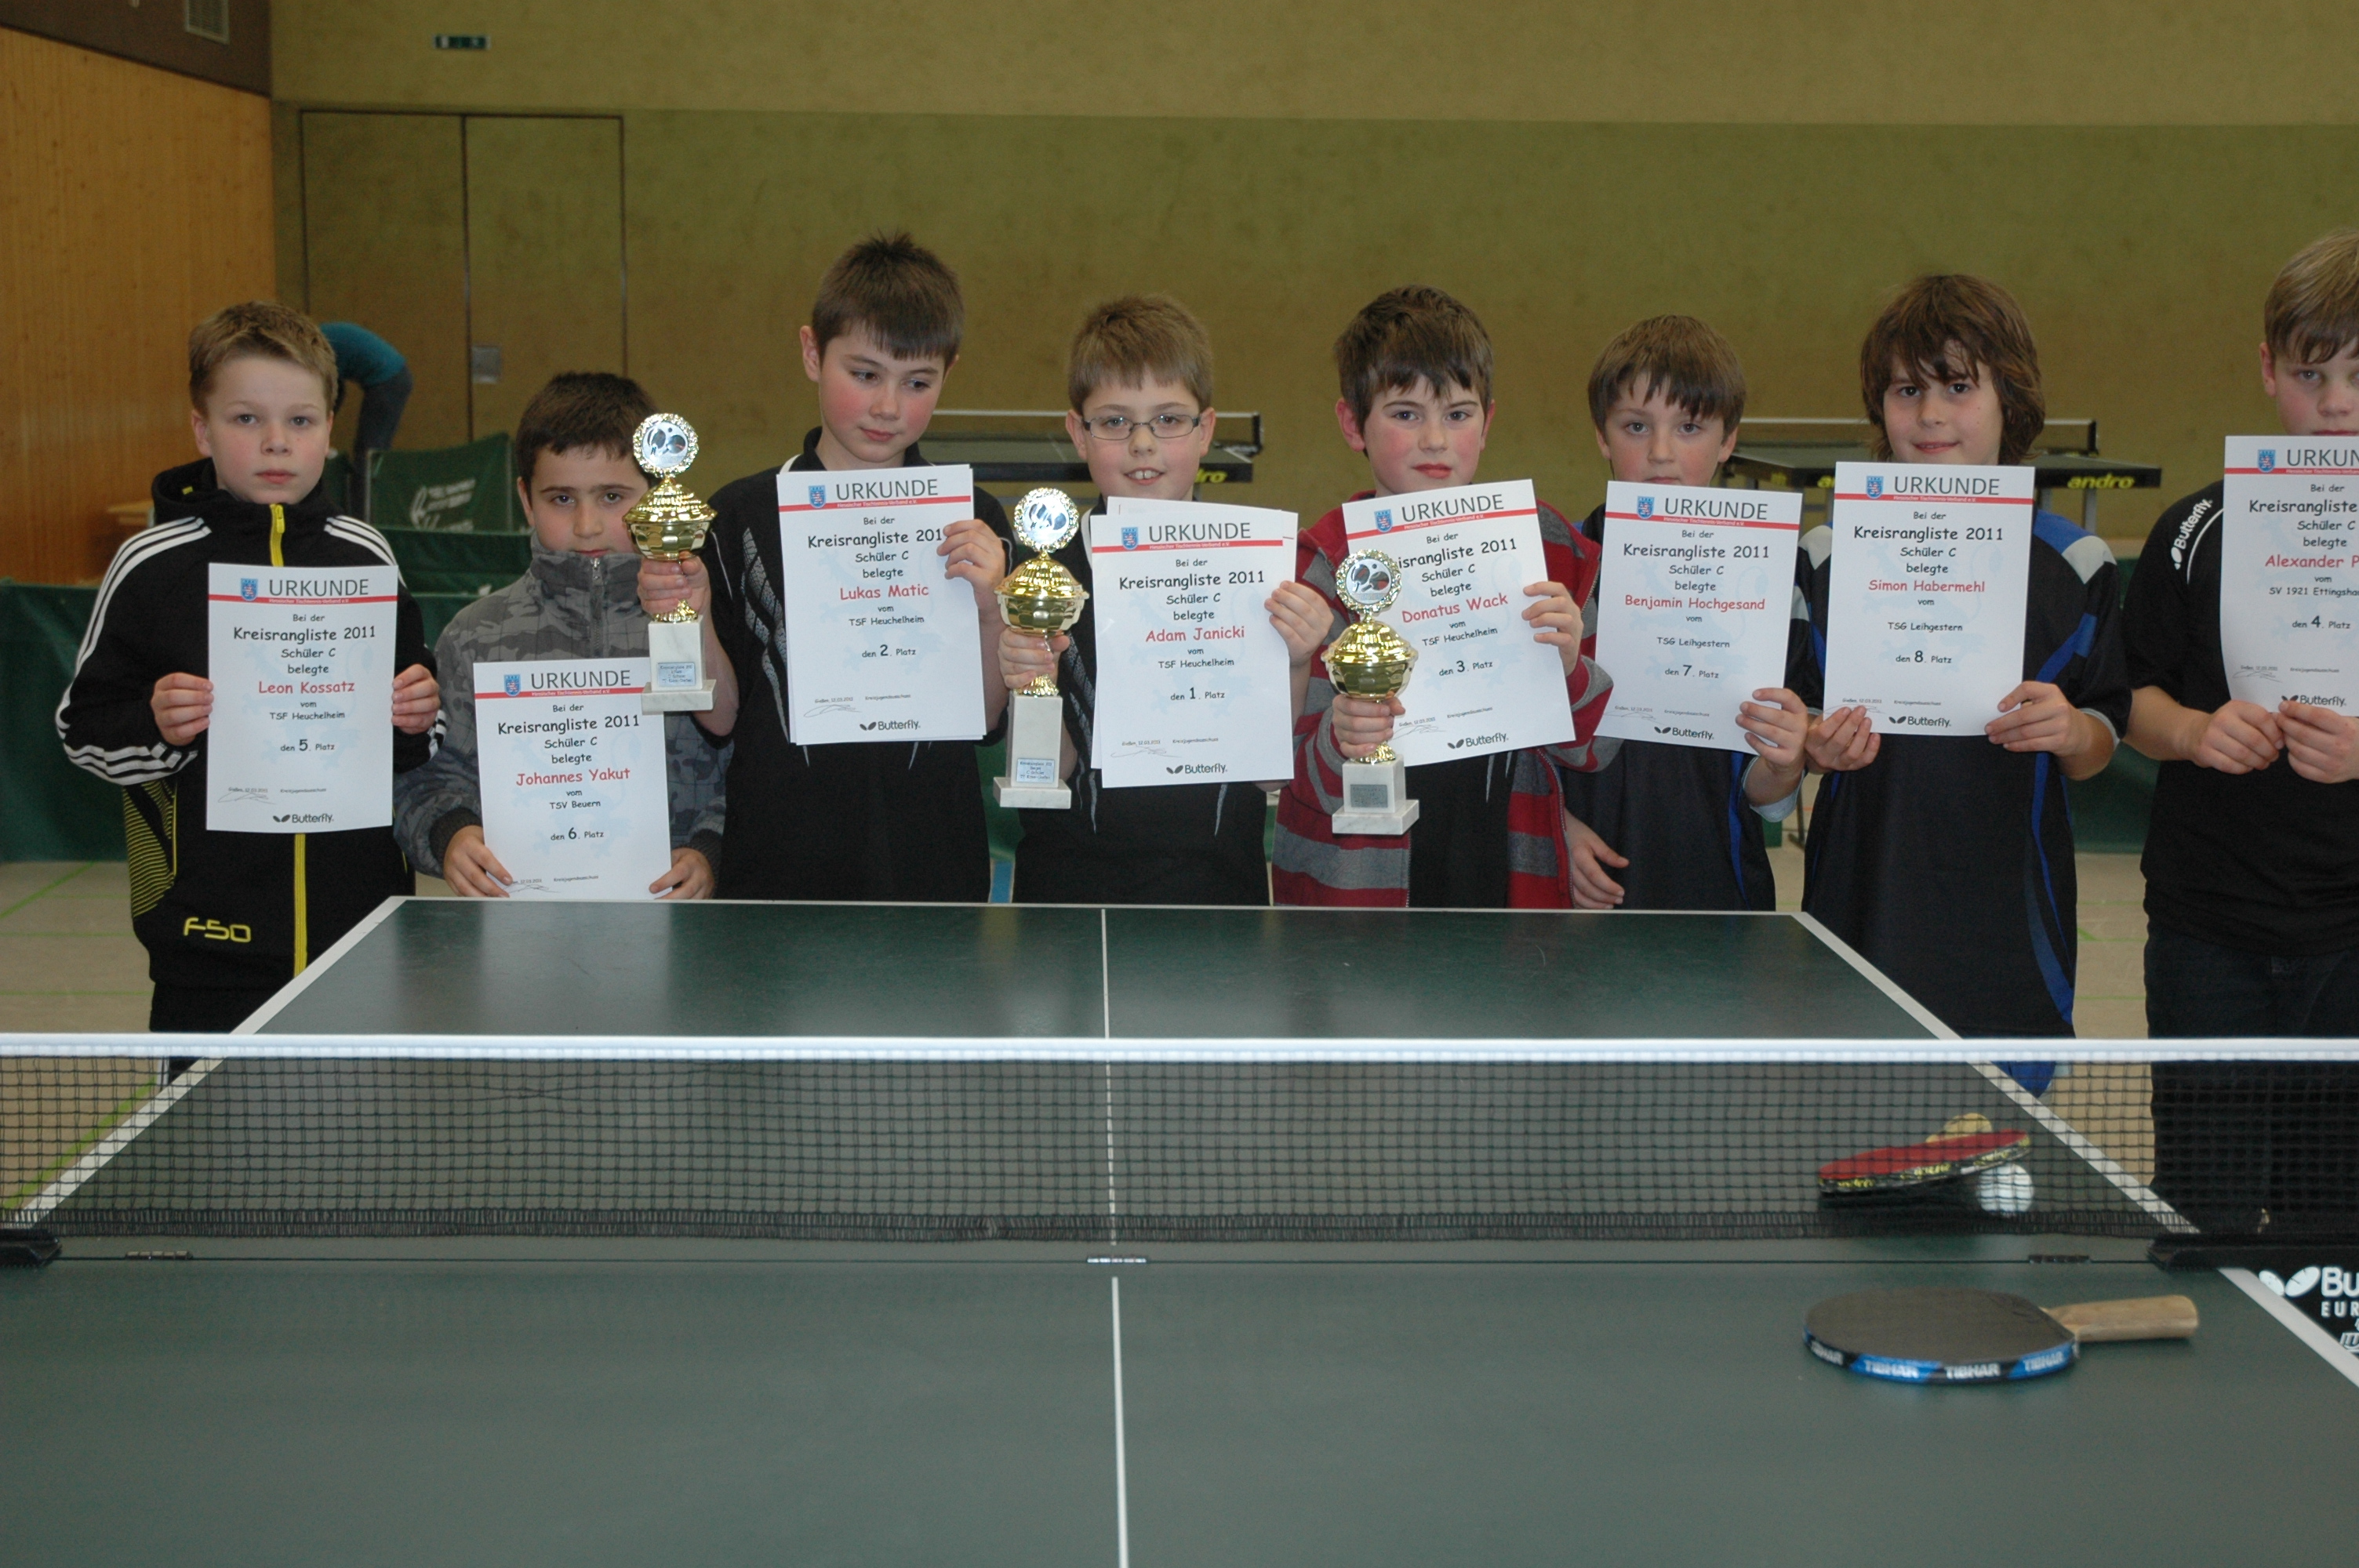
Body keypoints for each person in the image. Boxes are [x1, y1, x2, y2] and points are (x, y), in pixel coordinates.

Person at [56, 302, 440, 1033]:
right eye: (245, 419)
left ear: (330, 428)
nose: (276, 441)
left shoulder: (366, 555)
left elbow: (416, 721)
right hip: (207, 948)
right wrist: (157, 725)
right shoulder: (150, 564)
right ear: (202, 430)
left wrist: (417, 714)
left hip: (363, 934)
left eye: (300, 420)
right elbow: (83, 731)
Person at [1794, 275, 2127, 1050]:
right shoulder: (1823, 555)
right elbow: (1794, 723)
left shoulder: (2077, 562)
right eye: (1907, 390)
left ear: (2010, 397)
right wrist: (1813, 742)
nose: (1931, 414)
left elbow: (2103, 736)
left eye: (1957, 387)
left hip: (2008, 937)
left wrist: (2071, 730)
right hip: (1856, 911)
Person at [636, 233, 1012, 900]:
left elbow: (983, 719)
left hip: (933, 864)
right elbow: (720, 718)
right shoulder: (738, 516)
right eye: (864, 375)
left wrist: (991, 612)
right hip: (779, 864)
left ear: (948, 373)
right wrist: (688, 617)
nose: (888, 407)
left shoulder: (974, 523)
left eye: (917, 382)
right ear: (813, 353)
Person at [2124, 230, 2359, 1226]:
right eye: (2310, 375)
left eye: (2357, 376)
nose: (2336, 404)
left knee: (2332, 1220)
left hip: (2348, 937)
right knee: (2202, 1214)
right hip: (2205, 929)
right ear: (2268, 371)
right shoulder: (2192, 532)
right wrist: (2190, 733)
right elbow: (2129, 698)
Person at [1271, 285, 1616, 907]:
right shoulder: (1318, 571)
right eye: (1406, 414)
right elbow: (1290, 779)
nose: (1435, 439)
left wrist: (1567, 667)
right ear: (1352, 424)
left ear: (1488, 424)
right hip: (1355, 905)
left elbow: (1595, 749)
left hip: (1507, 887)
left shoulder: (1550, 553)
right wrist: (1341, 738)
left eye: (1458, 414)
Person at [995, 296, 1329, 903]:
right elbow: (1047, 773)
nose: (1143, 444)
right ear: (1077, 433)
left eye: (1169, 419)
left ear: (1206, 431)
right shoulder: (1044, 577)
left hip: (1219, 892)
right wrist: (1029, 679)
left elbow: (1267, 775)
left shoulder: (1257, 569)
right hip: (1070, 894)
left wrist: (1297, 661)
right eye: (1114, 422)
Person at [394, 372, 729, 898]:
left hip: (681, 922)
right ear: (526, 501)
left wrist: (712, 850)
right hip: (523, 924)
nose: (587, 525)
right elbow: (428, 778)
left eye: (613, 496)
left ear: (656, 494)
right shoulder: (473, 637)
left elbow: (752, 765)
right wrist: (451, 836)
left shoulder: (703, 625)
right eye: (562, 499)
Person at [1558, 316, 1810, 912]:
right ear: (1602, 436)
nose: (1661, 453)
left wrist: (1787, 762)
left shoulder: (1777, 579)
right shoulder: (1558, 571)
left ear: (1728, 441)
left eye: (1690, 427)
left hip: (1719, 892)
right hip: (1579, 888)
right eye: (1636, 427)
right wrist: (1556, 829)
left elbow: (1765, 791)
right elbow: (1519, 753)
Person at [322, 322, 412, 513]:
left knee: (369, 455)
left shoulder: (314, 349)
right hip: (395, 375)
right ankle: (369, 510)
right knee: (373, 454)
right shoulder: (322, 338)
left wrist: (321, 432)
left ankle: (363, 516)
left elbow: (334, 393)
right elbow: (336, 391)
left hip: (389, 380)